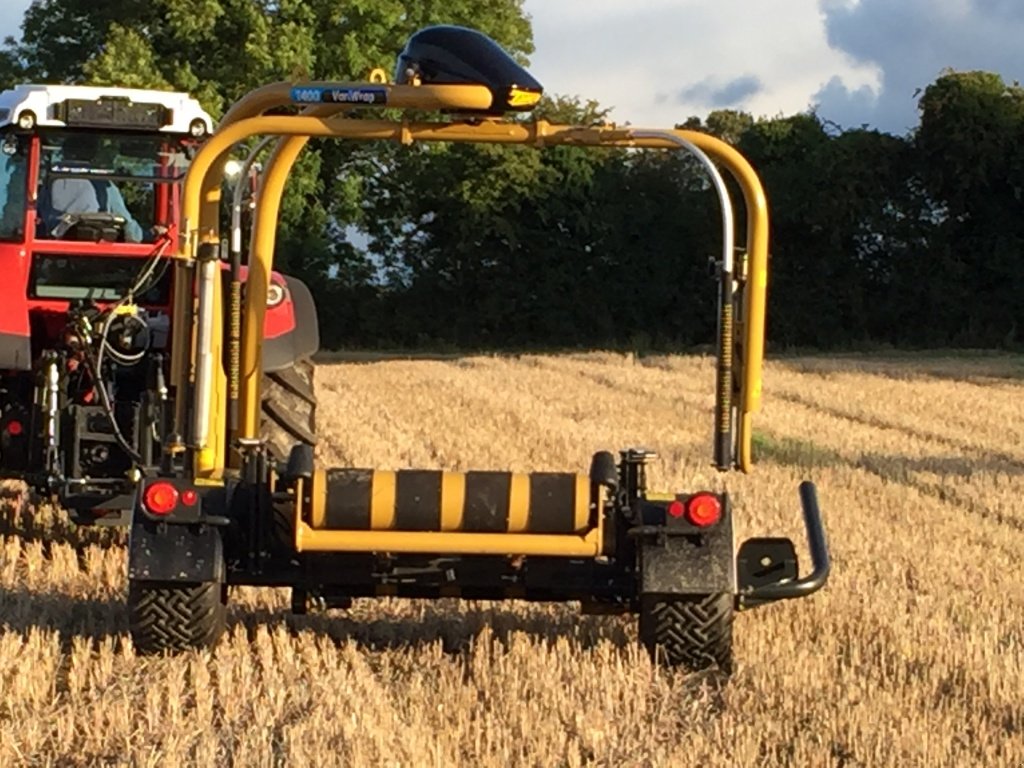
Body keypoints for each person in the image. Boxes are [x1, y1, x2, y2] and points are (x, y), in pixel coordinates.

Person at [43, 133, 144, 243]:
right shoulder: (103, 185)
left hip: (55, 243)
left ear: (65, 152)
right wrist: (148, 233)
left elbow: (37, 214)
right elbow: (127, 224)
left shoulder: (51, 181)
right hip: (97, 246)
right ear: (93, 154)